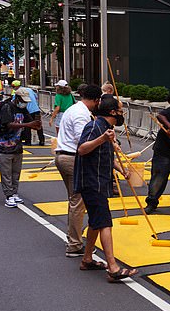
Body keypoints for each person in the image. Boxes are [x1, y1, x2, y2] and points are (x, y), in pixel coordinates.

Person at [74, 95, 138, 282]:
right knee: (105, 223)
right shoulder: (95, 126)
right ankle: (113, 267)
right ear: (112, 112)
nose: (121, 113)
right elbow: (82, 149)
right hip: (91, 182)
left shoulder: (107, 129)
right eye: (119, 110)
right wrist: (102, 139)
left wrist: (121, 170)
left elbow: (105, 157)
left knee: (96, 221)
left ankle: (87, 259)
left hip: (100, 180)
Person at [55, 84, 101, 258]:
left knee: (74, 200)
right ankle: (74, 244)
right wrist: (103, 139)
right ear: (96, 100)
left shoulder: (75, 109)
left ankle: (72, 238)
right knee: (78, 201)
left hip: (64, 156)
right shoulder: (81, 114)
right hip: (72, 158)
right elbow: (83, 140)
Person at [0, 88, 42, 208]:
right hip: (4, 145)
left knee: (15, 172)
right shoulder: (7, 107)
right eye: (23, 101)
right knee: (6, 173)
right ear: (17, 99)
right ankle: (8, 195)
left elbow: (31, 122)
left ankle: (14, 193)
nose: (25, 103)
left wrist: (37, 124)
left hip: (17, 145)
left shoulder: (23, 109)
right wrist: (28, 125)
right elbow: (8, 124)